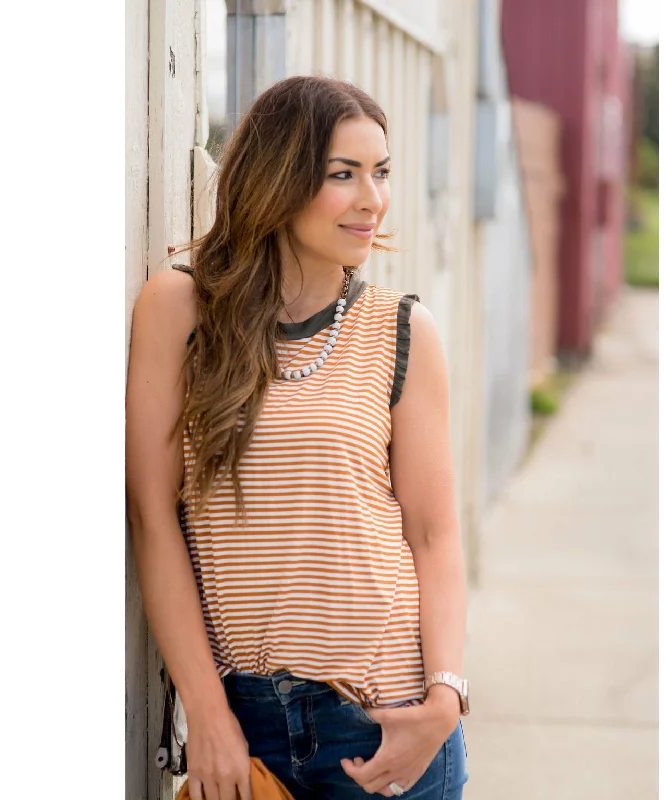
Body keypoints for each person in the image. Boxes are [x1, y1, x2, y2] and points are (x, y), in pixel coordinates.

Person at [126, 75, 469, 800]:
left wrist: (444, 700)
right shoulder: (181, 310)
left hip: (387, 723)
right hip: (245, 726)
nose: (372, 199)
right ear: (279, 178)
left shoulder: (402, 330)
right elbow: (152, 518)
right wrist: (207, 710)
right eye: (342, 175)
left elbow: (434, 534)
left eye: (380, 173)